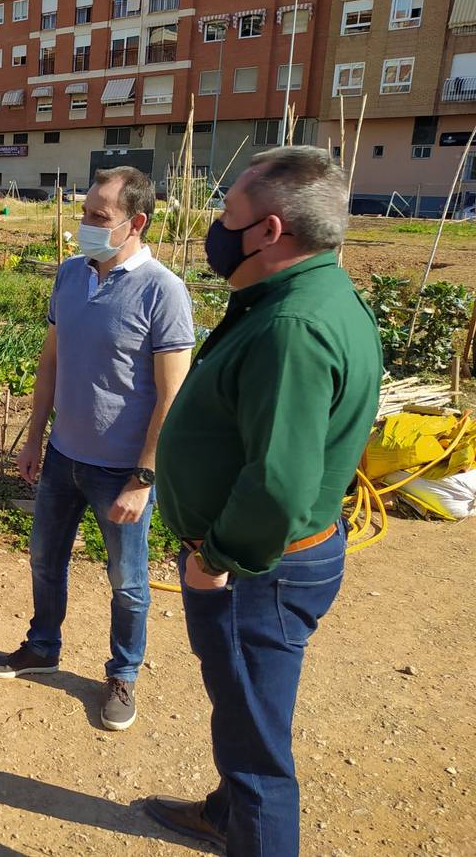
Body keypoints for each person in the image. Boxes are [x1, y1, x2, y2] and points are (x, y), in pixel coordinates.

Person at [144, 147, 382, 855]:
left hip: (258, 571)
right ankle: (224, 814)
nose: (218, 228)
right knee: (245, 711)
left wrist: (216, 559)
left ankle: (248, 822)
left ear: (270, 231)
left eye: (228, 216)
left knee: (257, 750)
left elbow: (276, 482)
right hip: (279, 561)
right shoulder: (313, 296)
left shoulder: (290, 328)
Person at [0, 167, 194, 732]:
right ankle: (42, 647)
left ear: (136, 222)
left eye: (98, 217)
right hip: (63, 458)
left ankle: (123, 673)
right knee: (45, 561)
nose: (85, 226)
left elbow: (172, 395)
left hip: (122, 469)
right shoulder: (71, 275)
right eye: (84, 213)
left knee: (127, 582)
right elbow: (51, 362)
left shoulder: (163, 291)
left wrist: (143, 477)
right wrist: (33, 437)